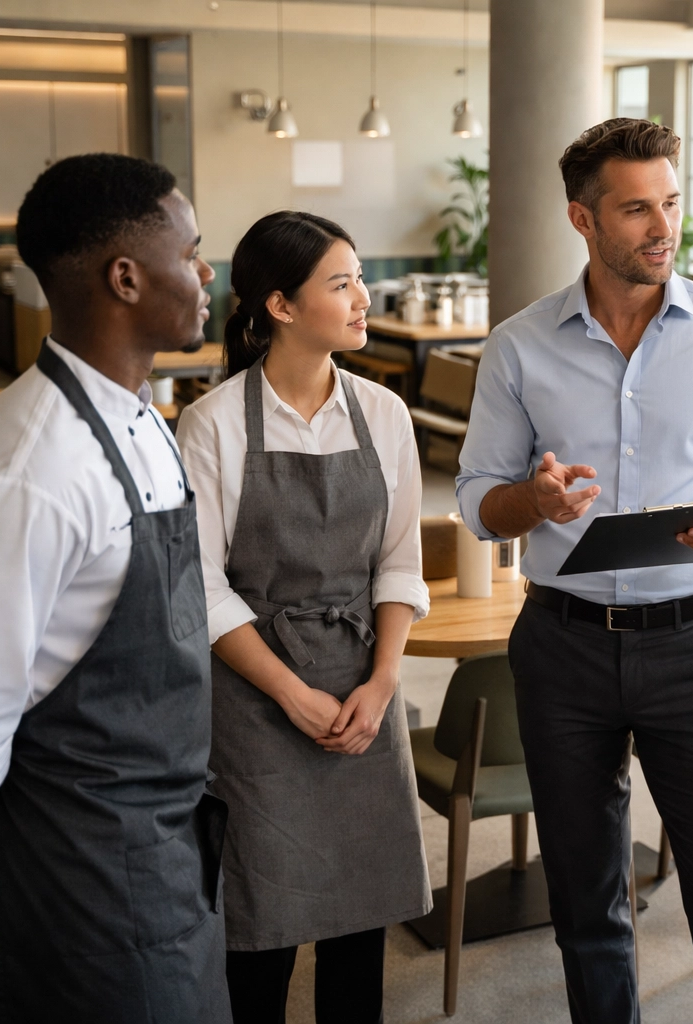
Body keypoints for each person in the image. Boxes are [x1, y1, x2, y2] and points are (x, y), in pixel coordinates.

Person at [455, 117, 693, 1023]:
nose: (663, 227)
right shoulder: (520, 346)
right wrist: (533, 502)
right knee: (586, 907)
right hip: (561, 649)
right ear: (583, 218)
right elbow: (479, 497)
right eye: (637, 208)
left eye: (672, 203)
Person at [0, 153, 231, 1021]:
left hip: (162, 844)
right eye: (190, 252)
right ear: (124, 276)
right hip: (76, 879)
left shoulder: (142, 417)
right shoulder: (30, 468)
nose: (205, 273)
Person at [176, 211, 431, 1024]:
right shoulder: (212, 423)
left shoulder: (384, 415)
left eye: (360, 278)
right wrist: (291, 693)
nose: (363, 297)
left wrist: (384, 682)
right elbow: (203, 590)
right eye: (342, 282)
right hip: (256, 705)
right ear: (280, 306)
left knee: (361, 940)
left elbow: (398, 563)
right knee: (261, 937)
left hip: (365, 694)